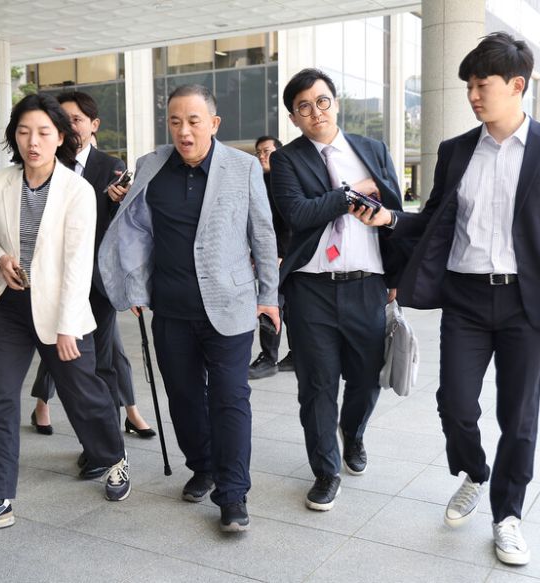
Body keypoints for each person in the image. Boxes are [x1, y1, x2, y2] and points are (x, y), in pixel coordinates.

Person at [367, 32, 540, 565]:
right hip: (466, 298)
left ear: (517, 85)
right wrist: (389, 219)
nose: (473, 96)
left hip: (528, 301)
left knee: (518, 415)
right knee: (454, 403)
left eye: (483, 85)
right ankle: (475, 472)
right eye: (469, 86)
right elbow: (433, 220)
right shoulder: (456, 151)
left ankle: (507, 516)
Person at [98, 84, 279, 532]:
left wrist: (269, 297)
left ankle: (233, 494)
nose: (184, 131)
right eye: (175, 122)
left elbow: (263, 234)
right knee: (183, 397)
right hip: (171, 307)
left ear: (213, 124)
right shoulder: (151, 165)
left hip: (230, 306)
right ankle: (203, 466)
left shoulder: (242, 167)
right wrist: (134, 285)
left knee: (230, 399)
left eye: (194, 121)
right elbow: (137, 229)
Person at [0, 94, 131, 536]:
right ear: (14, 136)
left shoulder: (77, 191)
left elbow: (77, 263)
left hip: (60, 308)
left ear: (61, 137)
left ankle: (113, 456)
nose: (33, 141)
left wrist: (67, 327)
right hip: (11, 306)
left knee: (82, 393)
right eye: (24, 132)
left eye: (44, 132)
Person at [269, 68, 407, 512]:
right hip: (311, 290)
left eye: (322, 101)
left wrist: (396, 277)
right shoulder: (287, 160)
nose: (316, 112)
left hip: (367, 285)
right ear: (294, 117)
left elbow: (394, 214)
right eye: (304, 107)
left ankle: (354, 431)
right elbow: (298, 213)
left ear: (336, 102)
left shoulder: (373, 150)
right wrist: (352, 195)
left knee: (367, 379)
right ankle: (326, 471)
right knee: (318, 384)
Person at [29, 91, 155, 458]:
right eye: (63, 121)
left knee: (102, 364)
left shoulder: (111, 166)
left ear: (93, 124)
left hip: (97, 284)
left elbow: (128, 230)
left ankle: (106, 448)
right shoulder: (45, 166)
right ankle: (84, 434)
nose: (70, 128)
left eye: (77, 120)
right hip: (53, 281)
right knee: (63, 360)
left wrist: (119, 204)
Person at [248, 135, 294, 379]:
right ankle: (288, 355)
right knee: (280, 303)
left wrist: (280, 254)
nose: (261, 156)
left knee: (272, 301)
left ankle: (269, 358)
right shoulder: (261, 181)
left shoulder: (286, 180)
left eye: (266, 151)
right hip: (271, 255)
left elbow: (289, 222)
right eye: (258, 153)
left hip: (284, 256)